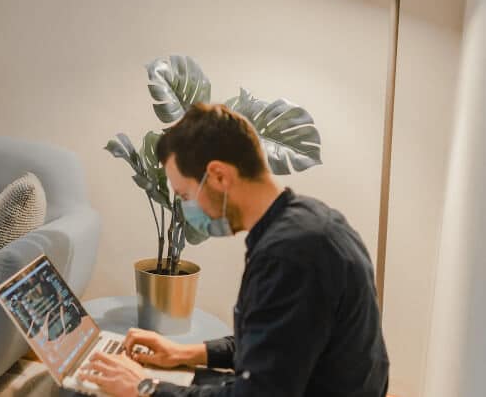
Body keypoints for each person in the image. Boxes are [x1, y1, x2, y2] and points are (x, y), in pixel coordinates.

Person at [80, 103, 389, 397]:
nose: (187, 208)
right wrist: (185, 352)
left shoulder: (289, 254)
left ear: (218, 176)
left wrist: (146, 387)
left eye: (185, 194)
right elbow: (279, 344)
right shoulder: (310, 221)